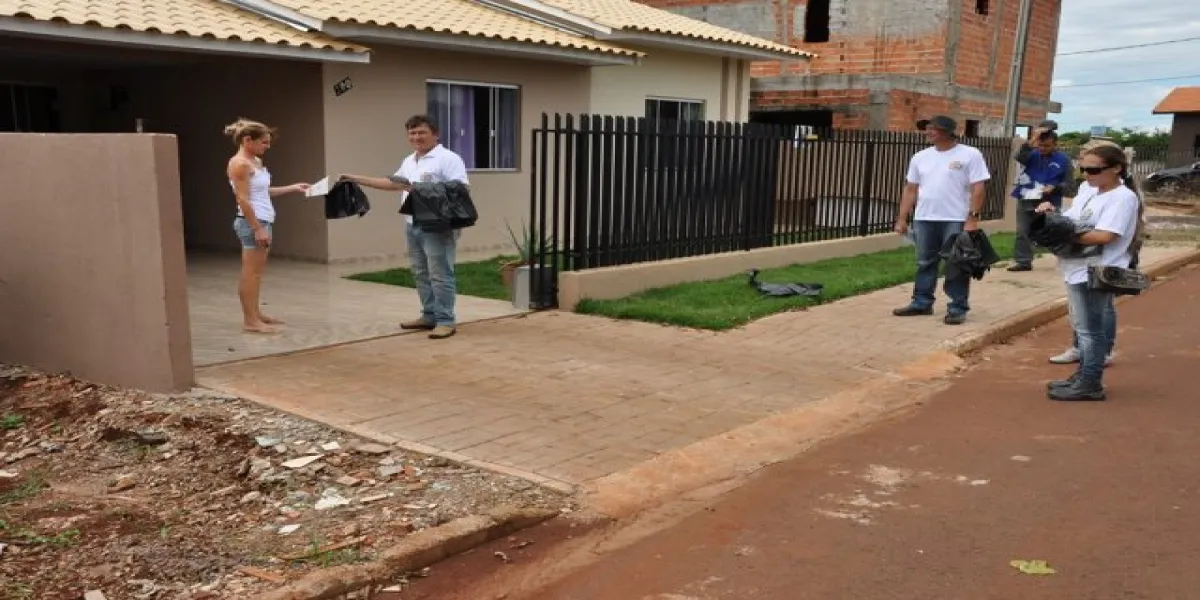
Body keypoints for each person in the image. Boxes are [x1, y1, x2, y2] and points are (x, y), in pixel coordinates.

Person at [339, 115, 469, 340]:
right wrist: (355, 178)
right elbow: (394, 183)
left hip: (438, 225)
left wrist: (419, 188)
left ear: (435, 134)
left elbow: (461, 189)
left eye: (421, 132)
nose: (416, 137)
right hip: (412, 223)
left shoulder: (448, 158)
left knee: (440, 274)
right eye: (412, 133)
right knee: (420, 272)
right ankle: (429, 315)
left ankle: (445, 320)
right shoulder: (410, 160)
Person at [1036, 145, 1140, 401]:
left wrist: (1065, 235)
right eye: (1083, 169)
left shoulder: (1123, 198)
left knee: (1090, 331)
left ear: (1116, 168)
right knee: (1083, 328)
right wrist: (1052, 217)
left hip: (1096, 270)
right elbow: (1073, 220)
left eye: (1093, 169)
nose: (1086, 174)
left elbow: (1105, 235)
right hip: (1077, 267)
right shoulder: (1091, 191)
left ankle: (1090, 382)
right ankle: (1084, 375)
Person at [892, 115, 992, 325]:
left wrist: (972, 218)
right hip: (924, 218)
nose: (928, 132)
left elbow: (979, 188)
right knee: (925, 262)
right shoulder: (920, 157)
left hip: (955, 218)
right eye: (927, 128)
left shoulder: (970, 154)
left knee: (956, 264)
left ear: (948, 132)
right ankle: (921, 302)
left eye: (933, 128)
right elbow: (910, 189)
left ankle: (957, 307)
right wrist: (902, 218)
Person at [225, 118, 310, 334]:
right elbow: (243, 199)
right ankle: (250, 321)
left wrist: (293, 188)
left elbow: (262, 192)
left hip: (263, 220)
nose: (267, 146)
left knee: (257, 273)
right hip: (252, 222)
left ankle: (256, 314)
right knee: (250, 273)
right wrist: (257, 228)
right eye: (263, 142)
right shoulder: (239, 164)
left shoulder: (256, 162)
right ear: (247, 140)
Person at [1008, 127, 1071, 272]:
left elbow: (1070, 185)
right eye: (1040, 145)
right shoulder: (1031, 154)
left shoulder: (1064, 160)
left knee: (1054, 231)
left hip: (1050, 200)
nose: (1042, 148)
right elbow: (1018, 157)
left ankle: (1065, 259)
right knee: (1023, 231)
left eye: (1047, 146)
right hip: (1027, 197)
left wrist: (1055, 187)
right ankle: (1023, 261)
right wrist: (1033, 140)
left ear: (1055, 144)